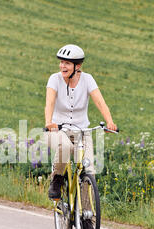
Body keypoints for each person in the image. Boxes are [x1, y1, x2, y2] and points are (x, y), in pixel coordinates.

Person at [45, 44, 117, 199]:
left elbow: (99, 102)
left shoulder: (87, 79)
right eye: (61, 62)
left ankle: (87, 218)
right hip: (57, 130)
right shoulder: (54, 79)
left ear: (77, 66)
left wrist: (109, 121)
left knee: (89, 171)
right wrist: (48, 122)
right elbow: (49, 102)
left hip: (82, 132)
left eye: (67, 63)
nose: (62, 66)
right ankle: (57, 179)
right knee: (65, 146)